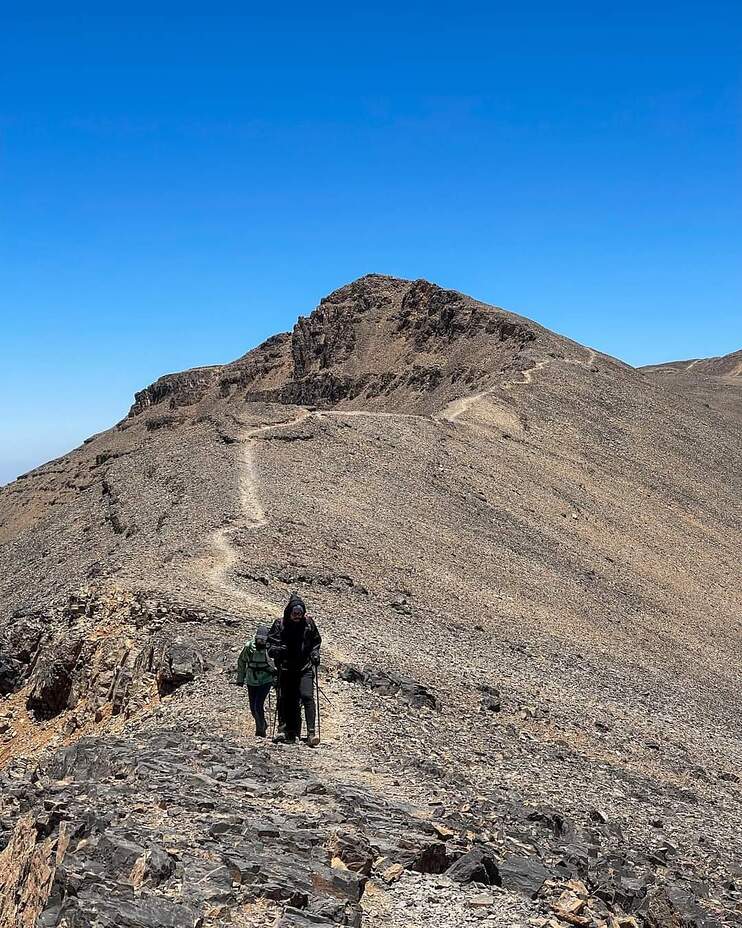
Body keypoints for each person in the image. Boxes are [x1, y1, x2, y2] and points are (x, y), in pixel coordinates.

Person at [267, 593, 321, 746]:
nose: (297, 617)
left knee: (307, 696)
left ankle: (311, 733)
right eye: (295, 614)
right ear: (289, 612)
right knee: (285, 699)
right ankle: (285, 730)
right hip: (285, 669)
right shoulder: (279, 624)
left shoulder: (309, 624)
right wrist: (277, 650)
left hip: (305, 667)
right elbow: (270, 646)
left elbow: (315, 642)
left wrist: (315, 654)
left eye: (300, 614)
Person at [236, 624, 276, 737]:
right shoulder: (249, 646)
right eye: (259, 639)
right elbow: (242, 661)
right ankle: (262, 723)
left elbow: (276, 661)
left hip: (266, 679)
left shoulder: (270, 647)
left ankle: (260, 730)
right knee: (252, 706)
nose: (260, 642)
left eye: (263, 640)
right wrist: (240, 678)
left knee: (258, 704)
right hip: (251, 679)